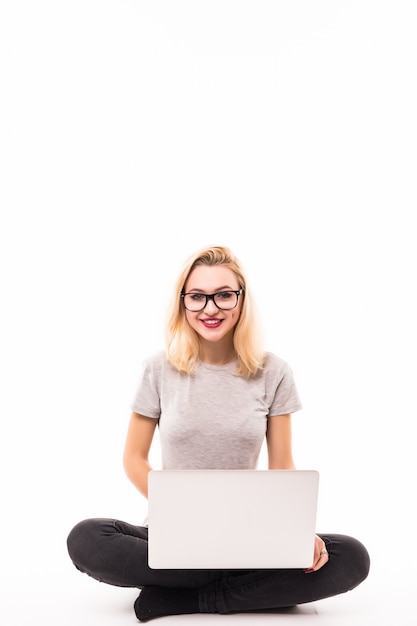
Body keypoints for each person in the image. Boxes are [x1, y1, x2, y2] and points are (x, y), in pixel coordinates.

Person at [67, 245, 370, 622]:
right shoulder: (157, 370)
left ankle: (187, 598)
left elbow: (282, 465)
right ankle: (245, 588)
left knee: (348, 556)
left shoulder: (273, 372)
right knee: (87, 537)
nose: (210, 309)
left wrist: (296, 533)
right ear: (183, 303)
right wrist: (188, 511)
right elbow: (133, 459)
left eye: (224, 295)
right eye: (197, 297)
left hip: (251, 534)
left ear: (241, 300)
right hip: (173, 534)